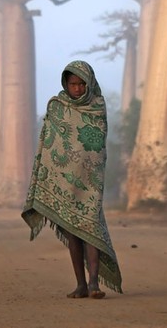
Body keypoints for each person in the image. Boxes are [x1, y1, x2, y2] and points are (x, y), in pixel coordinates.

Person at [22, 60, 123, 299]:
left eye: (81, 84)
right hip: (64, 182)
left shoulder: (97, 105)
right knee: (73, 234)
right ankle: (80, 284)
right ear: (65, 84)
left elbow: (97, 144)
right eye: (72, 84)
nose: (77, 89)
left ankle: (94, 283)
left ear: (89, 84)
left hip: (90, 180)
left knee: (91, 228)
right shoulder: (57, 107)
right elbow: (48, 145)